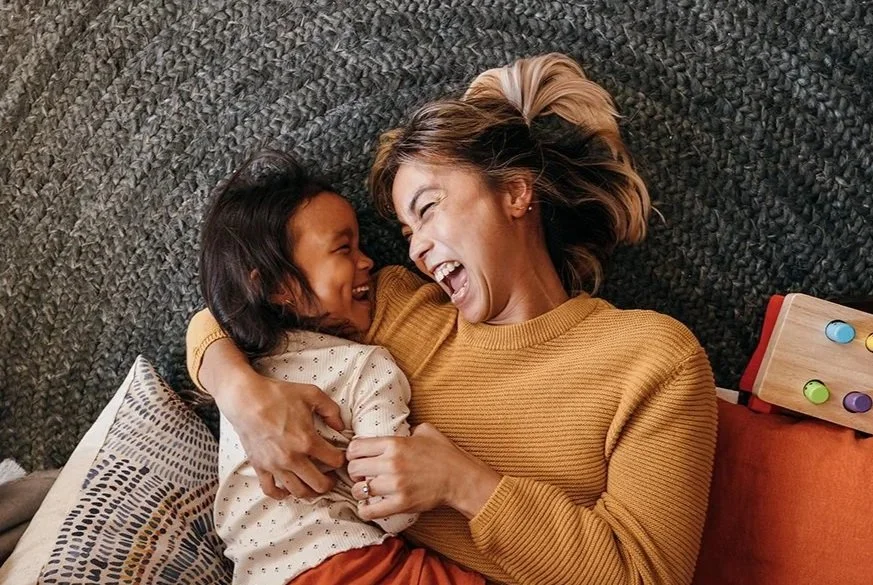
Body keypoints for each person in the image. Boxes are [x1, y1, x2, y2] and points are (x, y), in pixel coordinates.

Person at [187, 53, 718, 585]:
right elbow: (229, 308)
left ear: (514, 191)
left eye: (429, 208)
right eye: (404, 231)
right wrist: (245, 398)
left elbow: (647, 576)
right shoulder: (392, 307)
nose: (415, 248)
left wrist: (464, 484)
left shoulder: (653, 359)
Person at [198, 151, 484, 585]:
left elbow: (210, 321)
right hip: (353, 567)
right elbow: (395, 509)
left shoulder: (243, 368)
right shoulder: (364, 366)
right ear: (278, 286)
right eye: (343, 248)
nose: (367, 261)